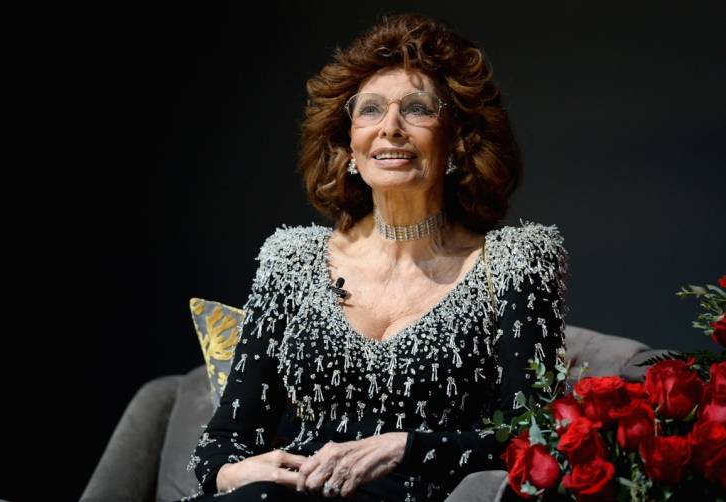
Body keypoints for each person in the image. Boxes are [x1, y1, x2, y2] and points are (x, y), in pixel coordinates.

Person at [182, 13, 568, 502]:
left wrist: (406, 448)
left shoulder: (516, 262)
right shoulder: (291, 261)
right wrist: (233, 474)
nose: (390, 128)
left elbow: (534, 437)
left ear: (457, 140)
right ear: (348, 145)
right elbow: (222, 442)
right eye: (369, 111)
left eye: (417, 109)